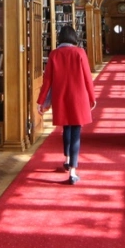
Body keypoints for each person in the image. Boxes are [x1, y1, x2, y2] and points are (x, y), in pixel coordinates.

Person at [37, 24, 96, 184]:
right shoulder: (80, 52)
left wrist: (41, 100)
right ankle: (72, 171)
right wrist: (92, 97)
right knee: (76, 131)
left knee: (66, 129)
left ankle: (67, 158)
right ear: (74, 38)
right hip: (78, 97)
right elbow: (87, 77)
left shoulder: (54, 54)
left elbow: (47, 80)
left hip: (61, 97)